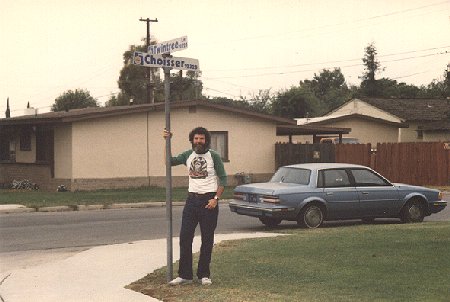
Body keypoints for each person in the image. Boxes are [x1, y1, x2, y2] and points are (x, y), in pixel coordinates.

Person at [164, 127, 227, 286]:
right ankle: (185, 275)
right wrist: (167, 141)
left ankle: (203, 274)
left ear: (206, 141)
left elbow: (224, 179)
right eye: (196, 139)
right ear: (192, 140)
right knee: (185, 238)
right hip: (191, 201)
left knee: (207, 239)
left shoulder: (214, 156)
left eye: (202, 139)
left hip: (209, 202)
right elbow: (169, 162)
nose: (199, 141)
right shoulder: (187, 155)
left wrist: (215, 199)